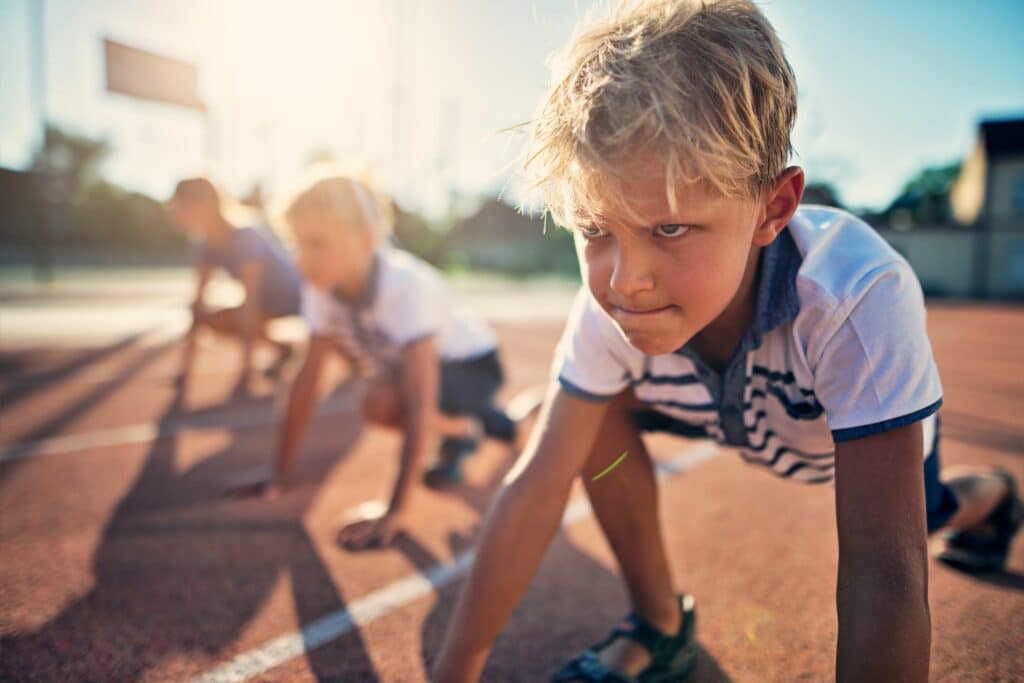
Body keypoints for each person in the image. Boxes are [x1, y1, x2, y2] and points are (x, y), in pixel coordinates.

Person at [432, 1, 1023, 681]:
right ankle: (657, 620)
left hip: (844, 444)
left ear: (772, 208)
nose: (626, 282)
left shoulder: (857, 297)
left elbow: (885, 574)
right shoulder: (609, 311)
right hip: (709, 409)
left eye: (671, 228)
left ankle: (993, 495)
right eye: (594, 229)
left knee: (923, 519)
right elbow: (536, 486)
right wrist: (456, 668)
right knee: (577, 419)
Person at [262, 171, 537, 549]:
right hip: (422, 378)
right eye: (295, 243)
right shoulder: (322, 286)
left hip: (474, 367)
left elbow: (420, 397)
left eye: (316, 243)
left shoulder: (405, 286)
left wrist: (395, 509)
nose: (300, 260)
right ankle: (469, 429)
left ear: (366, 240)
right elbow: (306, 380)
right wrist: (279, 473)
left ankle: (483, 426)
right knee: (389, 396)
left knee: (382, 399)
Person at [168, 177, 301, 395]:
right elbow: (198, 304)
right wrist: (184, 371)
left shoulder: (246, 236)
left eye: (181, 205)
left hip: (296, 296)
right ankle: (283, 348)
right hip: (266, 304)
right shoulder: (205, 246)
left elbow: (251, 300)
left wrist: (245, 371)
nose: (176, 213)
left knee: (339, 343)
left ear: (204, 205)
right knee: (206, 318)